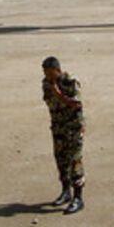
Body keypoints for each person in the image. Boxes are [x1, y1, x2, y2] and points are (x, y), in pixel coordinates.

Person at [41, 55, 84, 214]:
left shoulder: (71, 81)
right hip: (58, 127)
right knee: (61, 160)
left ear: (58, 70)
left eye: (51, 73)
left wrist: (58, 93)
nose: (48, 77)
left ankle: (78, 198)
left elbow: (76, 103)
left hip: (73, 128)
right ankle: (66, 192)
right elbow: (49, 102)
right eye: (46, 73)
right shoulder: (46, 83)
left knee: (75, 161)